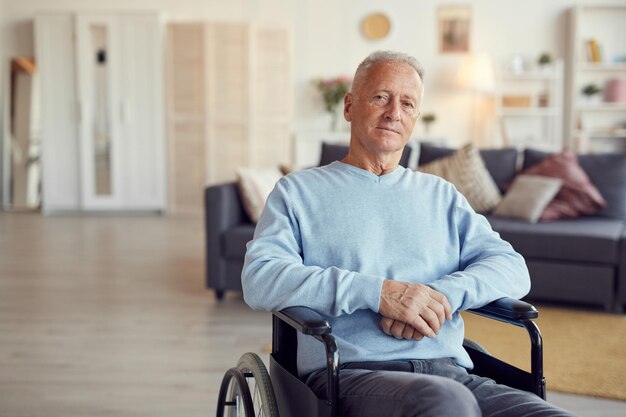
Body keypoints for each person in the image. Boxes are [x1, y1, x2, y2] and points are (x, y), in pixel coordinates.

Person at [242, 50, 575, 417]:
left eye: (407, 103)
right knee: (447, 404)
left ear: (415, 117)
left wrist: (439, 297)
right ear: (350, 106)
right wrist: (380, 294)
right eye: (381, 97)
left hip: (453, 373)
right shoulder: (298, 192)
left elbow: (512, 268)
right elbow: (261, 278)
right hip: (351, 376)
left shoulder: (442, 195)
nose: (393, 112)